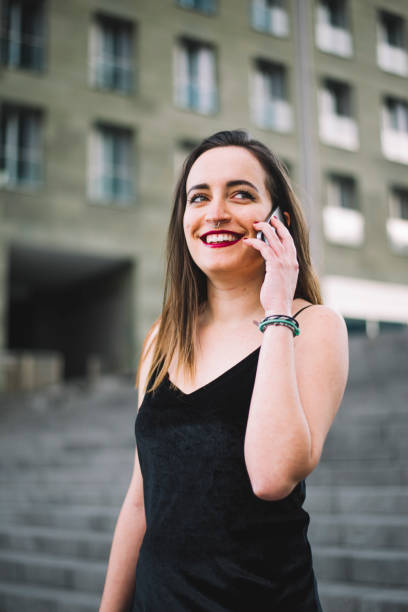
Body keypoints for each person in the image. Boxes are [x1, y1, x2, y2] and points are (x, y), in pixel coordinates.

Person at [99, 129, 349, 611]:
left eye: (241, 194)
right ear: (183, 220)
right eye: (199, 197)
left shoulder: (313, 326)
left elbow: (272, 476)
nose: (216, 212)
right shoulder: (162, 338)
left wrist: (276, 310)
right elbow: (140, 499)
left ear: (280, 221)